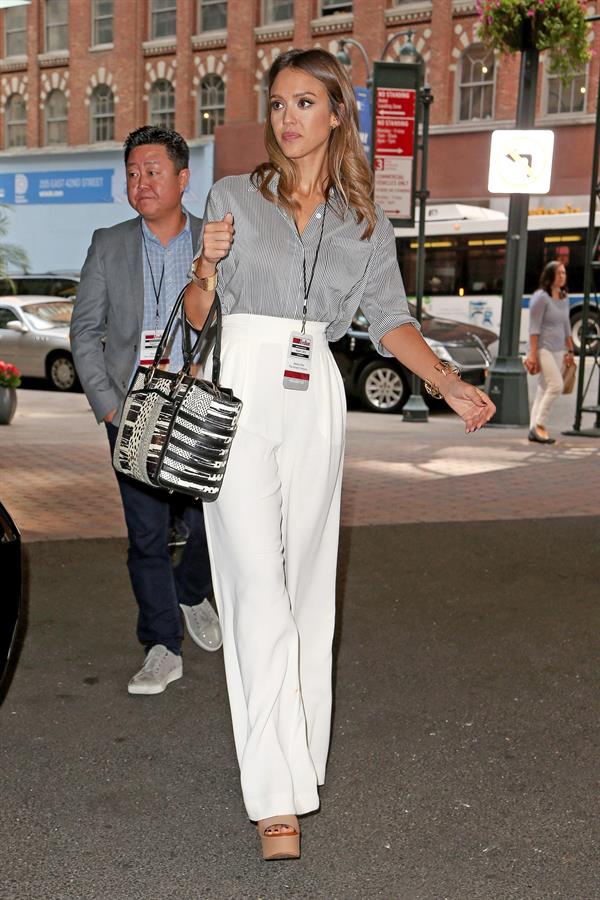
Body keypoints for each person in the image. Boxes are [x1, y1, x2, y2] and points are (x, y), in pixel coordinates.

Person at [184, 48, 496, 860]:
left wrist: (446, 382)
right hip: (239, 384)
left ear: (334, 115)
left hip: (314, 388)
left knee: (306, 591)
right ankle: (274, 797)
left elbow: (388, 320)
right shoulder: (229, 197)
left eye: (305, 102)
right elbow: (194, 313)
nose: (288, 117)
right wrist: (207, 266)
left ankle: (298, 759)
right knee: (255, 585)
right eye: (279, 103)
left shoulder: (364, 221)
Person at [70, 126, 222, 696]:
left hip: (199, 407)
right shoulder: (108, 242)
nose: (141, 182)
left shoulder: (216, 240)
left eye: (153, 170)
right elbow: (85, 332)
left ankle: (191, 592)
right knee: (146, 534)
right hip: (133, 412)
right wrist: (109, 409)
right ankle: (162, 643)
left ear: (183, 178)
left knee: (214, 521)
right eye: (133, 172)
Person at [525, 260, 574, 444]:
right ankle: (540, 425)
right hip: (543, 348)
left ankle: (532, 430)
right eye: (559, 273)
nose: (563, 276)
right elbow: (534, 328)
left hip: (559, 349)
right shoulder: (541, 297)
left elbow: (566, 326)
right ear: (550, 275)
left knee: (543, 389)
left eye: (564, 273)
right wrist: (532, 354)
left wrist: (570, 349)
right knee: (556, 385)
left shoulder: (563, 296)